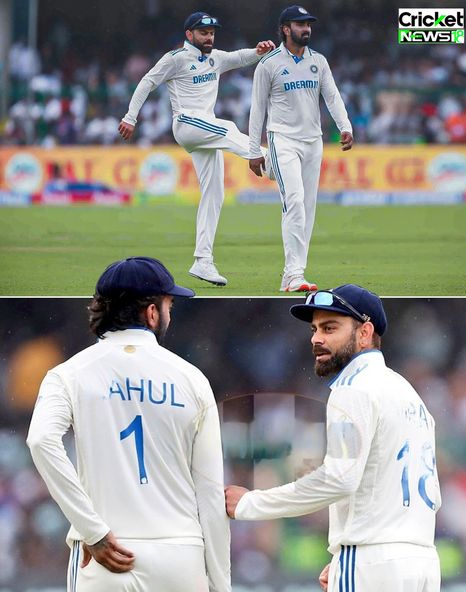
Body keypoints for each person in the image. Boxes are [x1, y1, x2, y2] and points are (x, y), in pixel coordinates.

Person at [27, 256, 230, 592]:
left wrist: (92, 531)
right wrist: (221, 585)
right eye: (169, 305)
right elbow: (210, 494)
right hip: (181, 557)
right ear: (151, 313)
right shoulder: (192, 379)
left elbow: (40, 441)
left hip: (107, 556)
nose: (170, 314)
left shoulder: (69, 373)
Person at [225, 284, 441, 592]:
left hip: (372, 561)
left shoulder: (352, 387)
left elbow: (338, 480)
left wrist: (250, 503)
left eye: (330, 328)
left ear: (365, 333)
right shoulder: (409, 394)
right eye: (315, 329)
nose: (316, 339)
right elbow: (431, 494)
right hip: (423, 562)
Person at [119, 13, 275, 287]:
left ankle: (203, 261)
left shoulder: (215, 58)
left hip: (204, 134)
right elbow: (147, 82)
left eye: (212, 32)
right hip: (186, 123)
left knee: (214, 192)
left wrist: (258, 51)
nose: (209, 37)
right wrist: (130, 117)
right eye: (203, 32)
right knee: (226, 126)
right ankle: (270, 158)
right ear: (189, 34)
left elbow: (239, 58)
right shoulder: (176, 58)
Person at [248, 6, 354, 292]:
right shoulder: (268, 64)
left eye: (308, 24)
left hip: (313, 140)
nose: (306, 29)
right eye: (300, 24)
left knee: (307, 207)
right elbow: (257, 109)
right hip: (282, 138)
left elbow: (332, 96)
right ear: (285, 28)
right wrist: (252, 149)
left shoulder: (318, 61)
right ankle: (294, 274)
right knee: (293, 201)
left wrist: (345, 126)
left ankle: (294, 274)